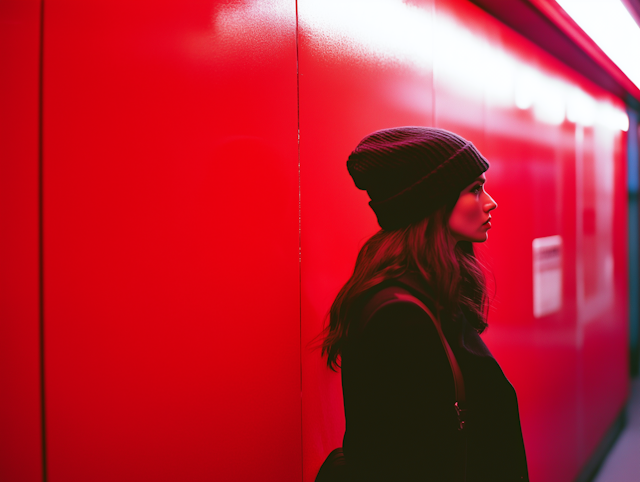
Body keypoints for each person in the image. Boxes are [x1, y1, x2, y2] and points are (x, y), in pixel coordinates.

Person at [315, 127, 529, 481]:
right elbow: (410, 460)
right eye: (475, 189)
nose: (490, 202)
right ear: (431, 201)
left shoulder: (432, 294)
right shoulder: (402, 318)